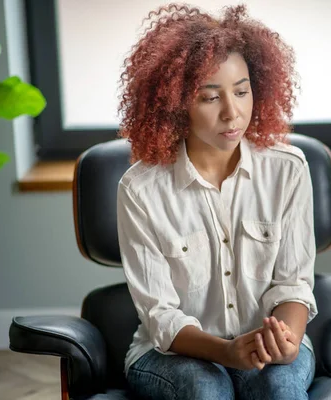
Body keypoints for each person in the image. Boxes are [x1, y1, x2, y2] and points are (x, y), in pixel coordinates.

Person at [116, 4, 317, 399]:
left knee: (279, 389)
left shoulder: (288, 170)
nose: (233, 113)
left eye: (242, 91)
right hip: (172, 354)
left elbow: (293, 283)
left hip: (266, 345)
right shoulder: (140, 190)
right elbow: (161, 316)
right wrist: (227, 352)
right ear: (175, 106)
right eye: (210, 98)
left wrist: (286, 339)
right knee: (207, 387)